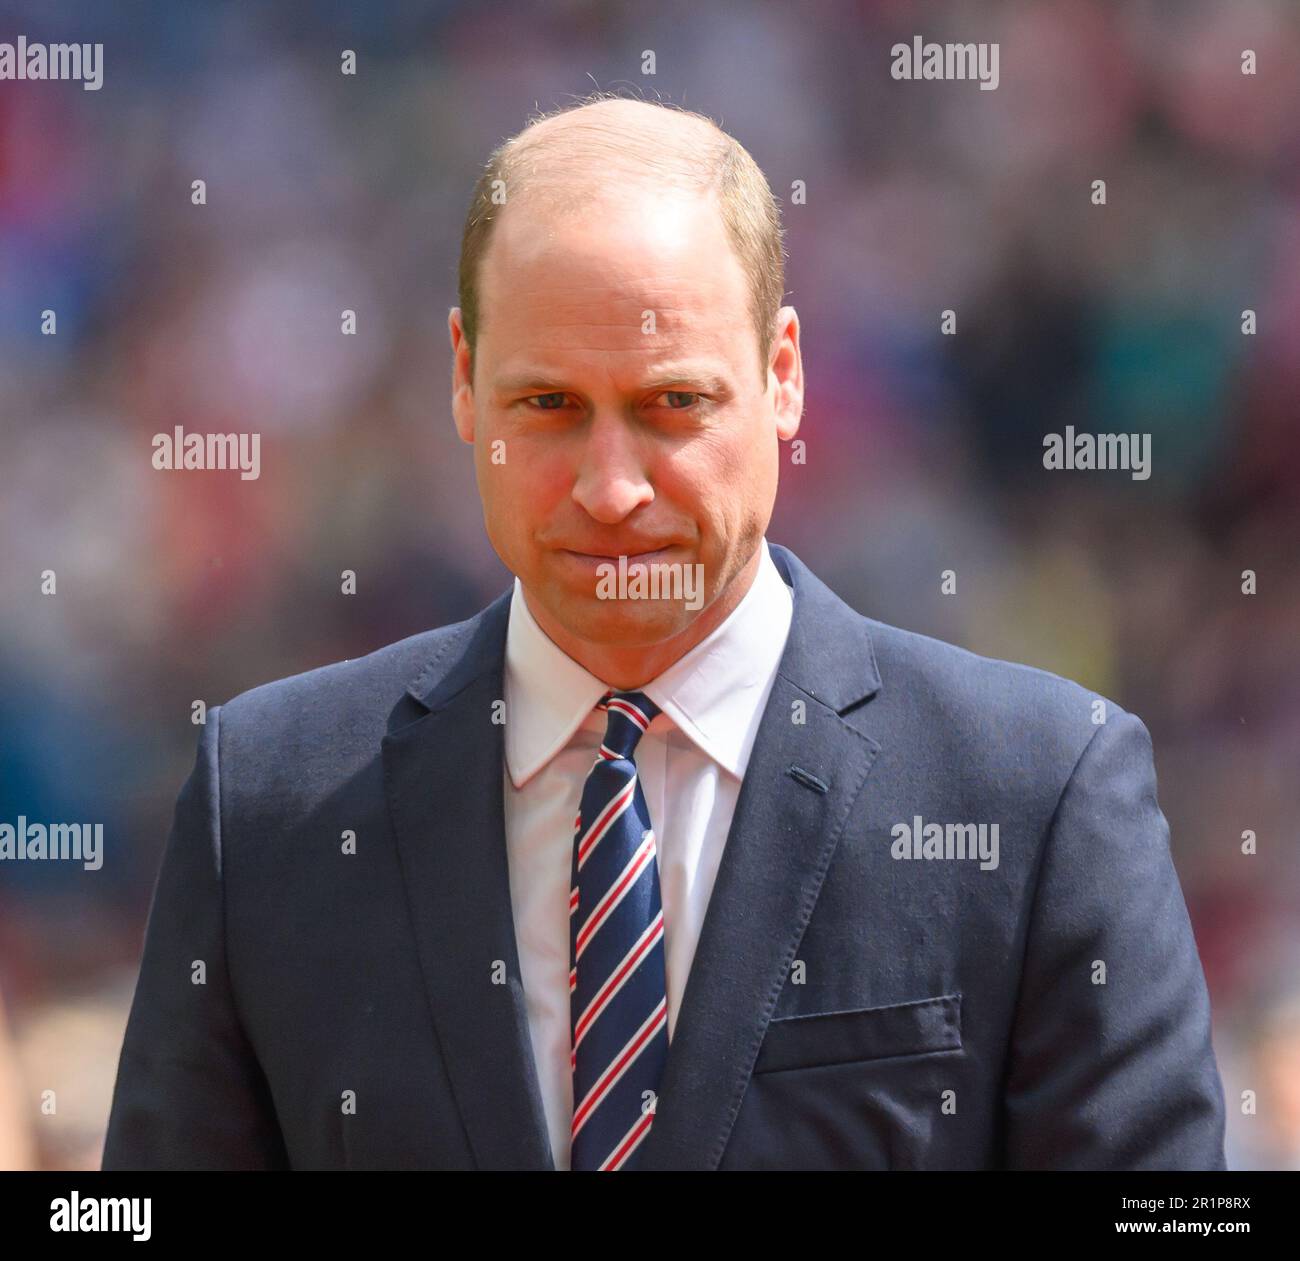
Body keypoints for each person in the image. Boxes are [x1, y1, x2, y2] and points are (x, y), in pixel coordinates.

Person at [102, 94, 1226, 1171]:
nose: (611, 487)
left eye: (671, 405)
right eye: (548, 406)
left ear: (782, 378)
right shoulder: (265, 803)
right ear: (462, 381)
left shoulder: (1035, 794)